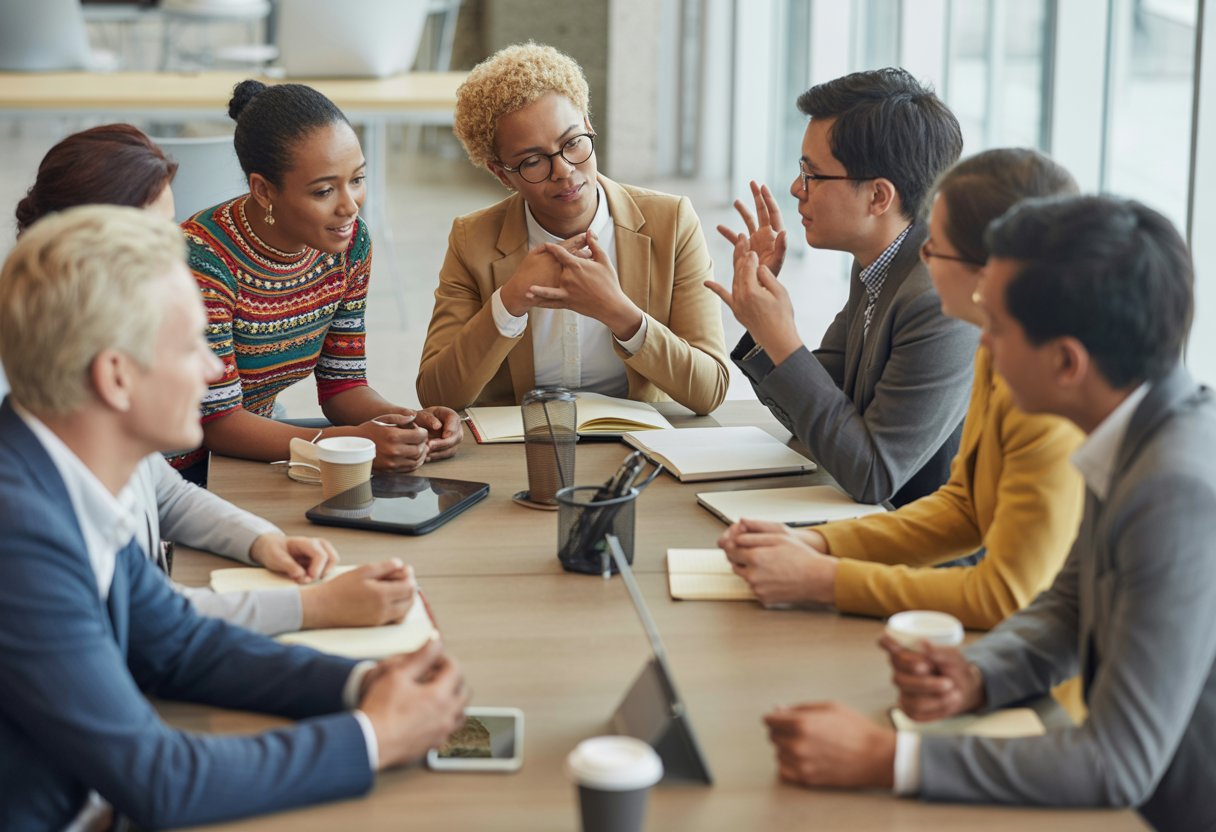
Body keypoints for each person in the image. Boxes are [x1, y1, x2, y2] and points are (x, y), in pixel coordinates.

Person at [0, 205, 468, 830]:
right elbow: (161, 781)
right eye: (190, 344)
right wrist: (376, 736)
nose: (215, 368)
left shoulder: (62, 471)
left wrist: (364, 684)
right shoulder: (19, 537)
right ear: (115, 377)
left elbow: (176, 645)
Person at [762, 195, 1216, 832]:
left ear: (1066, 362)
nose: (981, 342)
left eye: (996, 327)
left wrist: (891, 758)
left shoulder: (1176, 488)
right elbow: (1068, 603)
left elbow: (1118, 762)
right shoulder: (1137, 425)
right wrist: (977, 675)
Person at [12, 123, 414, 636]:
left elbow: (164, 494)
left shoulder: (91, 404)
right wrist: (316, 609)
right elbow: (152, 618)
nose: (176, 247)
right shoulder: (39, 500)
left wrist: (263, 540)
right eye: (155, 235)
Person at [719, 149, 1085, 629]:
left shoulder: (1053, 394)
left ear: (992, 273)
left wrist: (823, 577)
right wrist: (819, 544)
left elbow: (1006, 594)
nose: (922, 255)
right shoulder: (1001, 350)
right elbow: (963, 507)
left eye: (938, 244)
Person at [416, 43, 729, 414]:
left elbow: (710, 389)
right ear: (501, 174)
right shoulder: (473, 240)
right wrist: (510, 300)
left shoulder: (671, 222)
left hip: (636, 448)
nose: (564, 170)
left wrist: (620, 314)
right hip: (525, 452)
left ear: (588, 125)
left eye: (572, 142)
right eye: (533, 161)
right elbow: (437, 395)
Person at [711, 68, 977, 506]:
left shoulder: (940, 300)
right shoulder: (880, 264)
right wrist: (763, 319)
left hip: (930, 553)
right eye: (800, 169)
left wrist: (780, 337)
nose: (797, 189)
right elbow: (815, 419)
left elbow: (873, 475)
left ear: (878, 197)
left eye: (813, 175)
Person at [179, 80, 462, 482]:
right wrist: (342, 445)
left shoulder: (349, 246)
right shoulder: (204, 261)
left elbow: (342, 386)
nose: (349, 206)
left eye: (358, 179)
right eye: (325, 190)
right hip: (173, 468)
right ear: (263, 190)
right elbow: (217, 424)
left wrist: (407, 423)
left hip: (256, 455)